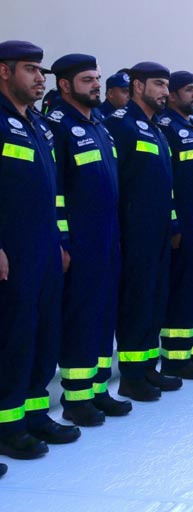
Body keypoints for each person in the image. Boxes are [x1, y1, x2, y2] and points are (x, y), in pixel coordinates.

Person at [0, 40, 81, 460]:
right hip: (12, 250)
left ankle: (34, 414)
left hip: (45, 247)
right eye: (30, 69)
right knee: (12, 337)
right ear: (4, 72)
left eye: (41, 71)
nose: (39, 78)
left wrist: (61, 241)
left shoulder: (40, 125)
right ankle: (8, 425)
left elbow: (56, 194)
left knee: (43, 332)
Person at [47, 53, 130, 425]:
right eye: (87, 80)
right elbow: (56, 189)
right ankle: (77, 398)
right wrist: (63, 239)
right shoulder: (59, 125)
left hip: (107, 236)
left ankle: (97, 389)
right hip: (80, 238)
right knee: (82, 315)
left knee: (103, 314)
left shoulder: (98, 124)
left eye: (97, 79)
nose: (97, 85)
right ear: (65, 85)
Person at [106, 61, 182, 402]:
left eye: (166, 85)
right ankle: (132, 376)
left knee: (154, 300)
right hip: (134, 232)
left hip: (158, 231)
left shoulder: (154, 129)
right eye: (159, 84)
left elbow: (164, 184)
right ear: (138, 86)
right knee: (136, 303)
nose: (165, 91)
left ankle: (148, 366)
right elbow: (115, 183)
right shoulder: (121, 125)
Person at [157, 71, 193, 380]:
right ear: (173, 95)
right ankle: (175, 358)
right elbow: (166, 181)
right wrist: (174, 222)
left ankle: (192, 351)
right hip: (184, 225)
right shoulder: (167, 127)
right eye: (189, 90)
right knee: (182, 291)